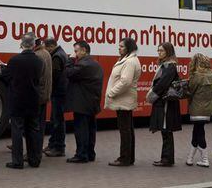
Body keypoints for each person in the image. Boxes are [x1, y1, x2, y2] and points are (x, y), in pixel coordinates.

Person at [1, 34, 43, 169]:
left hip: (18, 99)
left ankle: (17, 161)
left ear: (22, 44)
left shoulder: (14, 60)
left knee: (17, 130)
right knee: (33, 130)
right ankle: (35, 160)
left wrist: (3, 69)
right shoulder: (39, 61)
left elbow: (7, 77)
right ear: (33, 45)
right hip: (33, 99)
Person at [105, 38, 141, 167]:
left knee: (125, 130)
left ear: (129, 48)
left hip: (123, 100)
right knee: (127, 129)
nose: (119, 48)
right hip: (124, 99)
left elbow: (125, 81)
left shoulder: (130, 62)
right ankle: (129, 157)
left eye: (121, 46)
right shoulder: (127, 60)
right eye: (119, 46)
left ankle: (124, 158)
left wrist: (111, 92)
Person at [65, 40, 103, 163]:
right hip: (92, 102)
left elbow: (69, 73)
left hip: (82, 103)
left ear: (84, 50)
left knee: (81, 129)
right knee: (91, 129)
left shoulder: (83, 64)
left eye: (76, 51)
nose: (75, 54)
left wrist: (69, 61)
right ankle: (90, 153)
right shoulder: (95, 64)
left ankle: (81, 154)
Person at [147, 42, 182, 167]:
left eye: (161, 50)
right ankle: (166, 158)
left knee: (166, 130)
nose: (159, 53)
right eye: (158, 50)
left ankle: (167, 159)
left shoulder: (170, 66)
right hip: (163, 102)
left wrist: (151, 95)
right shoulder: (165, 65)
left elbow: (162, 84)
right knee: (165, 131)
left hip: (166, 102)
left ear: (168, 51)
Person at [185, 53, 212, 167]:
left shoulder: (196, 75)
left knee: (200, 133)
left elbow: (190, 91)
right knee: (197, 130)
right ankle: (190, 158)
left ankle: (204, 159)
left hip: (196, 108)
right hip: (208, 108)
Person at [43, 38, 68, 157]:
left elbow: (54, 76)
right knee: (55, 119)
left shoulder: (57, 57)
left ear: (51, 46)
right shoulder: (60, 54)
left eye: (46, 48)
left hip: (58, 92)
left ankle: (59, 147)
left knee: (57, 120)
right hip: (60, 92)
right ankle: (53, 144)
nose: (46, 51)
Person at [30, 34, 52, 159]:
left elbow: (36, 77)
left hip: (38, 94)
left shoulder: (37, 56)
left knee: (35, 126)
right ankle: (37, 151)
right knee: (41, 125)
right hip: (45, 94)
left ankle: (34, 152)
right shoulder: (46, 54)